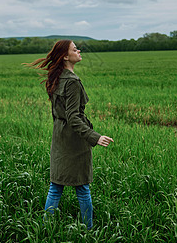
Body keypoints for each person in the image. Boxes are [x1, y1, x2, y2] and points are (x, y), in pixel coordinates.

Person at [25, 39, 114, 230]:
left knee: (55, 187)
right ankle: (89, 231)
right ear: (66, 56)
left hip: (59, 137)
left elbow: (60, 114)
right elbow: (74, 118)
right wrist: (94, 137)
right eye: (75, 49)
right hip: (74, 141)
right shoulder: (72, 82)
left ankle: (45, 229)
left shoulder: (56, 77)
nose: (79, 50)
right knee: (82, 188)